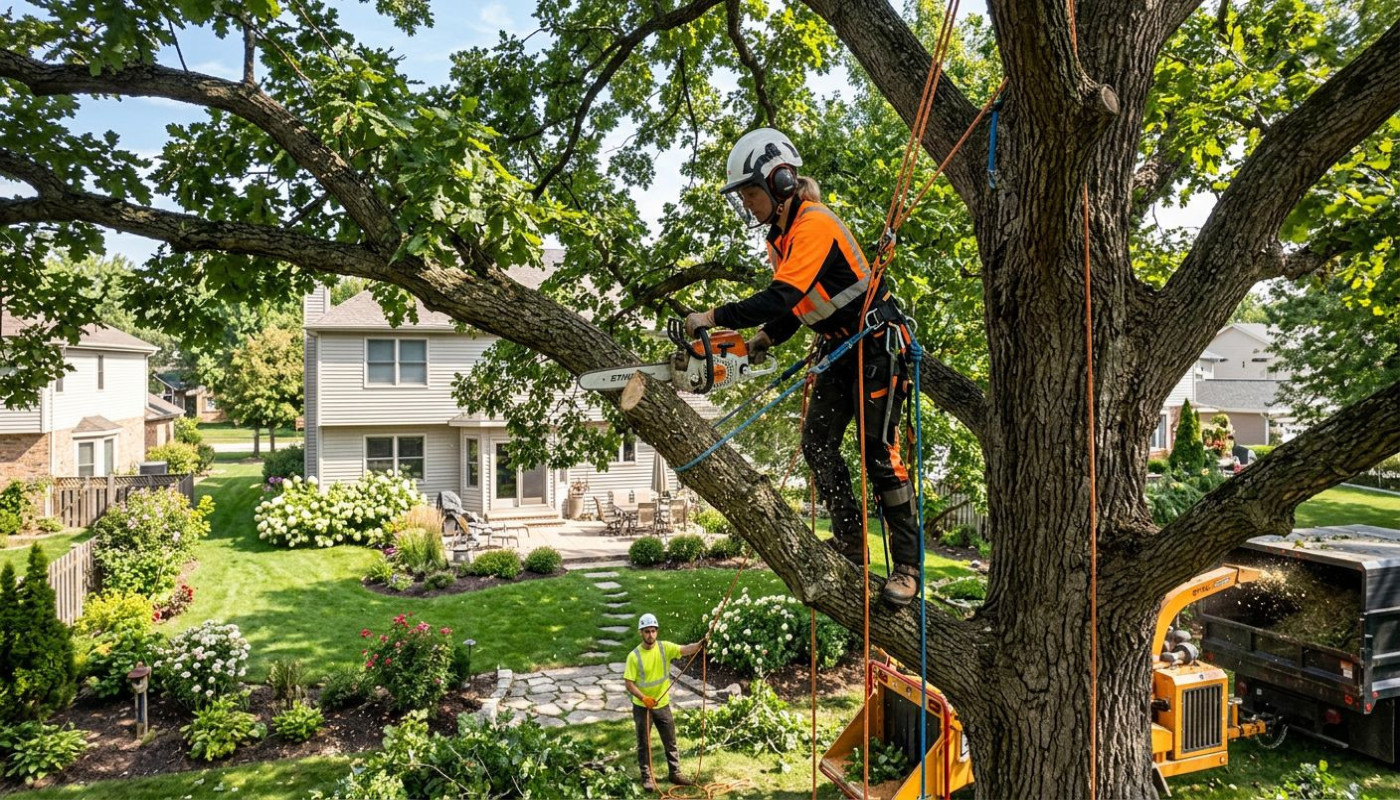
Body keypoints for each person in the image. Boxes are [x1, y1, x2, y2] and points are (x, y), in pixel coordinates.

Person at [684, 128, 921, 606]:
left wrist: (711, 318)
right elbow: (797, 307)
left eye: (751, 193)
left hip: (876, 346)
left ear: (781, 181)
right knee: (817, 443)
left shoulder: (814, 224)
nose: (747, 204)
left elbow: (781, 296)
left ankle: (910, 565)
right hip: (837, 349)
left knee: (879, 453)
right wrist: (764, 340)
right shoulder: (781, 239)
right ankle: (852, 541)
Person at [624, 612, 703, 791]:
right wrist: (644, 698)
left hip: (662, 704)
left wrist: (699, 645)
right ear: (640, 632)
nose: (650, 635)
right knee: (644, 743)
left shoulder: (664, 648)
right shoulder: (634, 656)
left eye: (653, 631)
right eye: (646, 631)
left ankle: (675, 773)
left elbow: (684, 649)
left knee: (670, 739)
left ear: (657, 631)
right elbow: (628, 683)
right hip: (642, 707)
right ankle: (647, 777)